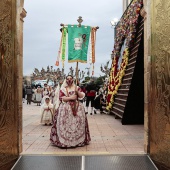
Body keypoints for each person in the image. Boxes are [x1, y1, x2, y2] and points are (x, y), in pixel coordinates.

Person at [50, 75, 91, 148]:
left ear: (73, 79)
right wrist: (71, 97)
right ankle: (66, 141)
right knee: (66, 123)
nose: (69, 80)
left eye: (70, 79)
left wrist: (77, 92)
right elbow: (61, 98)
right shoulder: (63, 89)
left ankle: (77, 140)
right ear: (65, 80)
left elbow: (82, 96)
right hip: (66, 108)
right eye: (68, 79)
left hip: (77, 107)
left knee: (77, 123)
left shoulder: (77, 88)